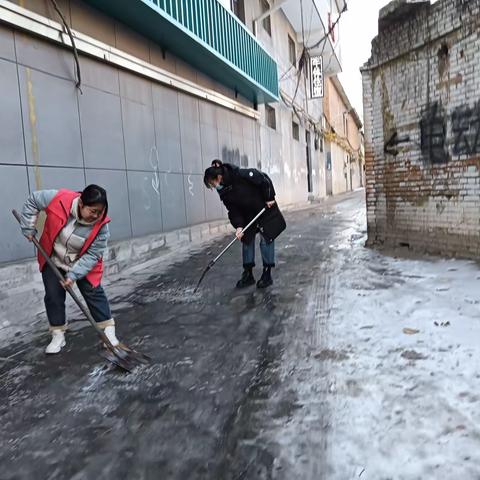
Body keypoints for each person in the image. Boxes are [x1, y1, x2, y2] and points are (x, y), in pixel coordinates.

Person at [19, 185, 119, 354]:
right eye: (93, 211)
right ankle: (58, 335)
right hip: (53, 257)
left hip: (82, 261)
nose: (96, 216)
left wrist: (73, 275)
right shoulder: (59, 198)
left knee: (93, 292)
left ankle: (108, 332)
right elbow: (33, 200)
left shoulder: (102, 225)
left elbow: (93, 255)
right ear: (81, 203)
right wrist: (28, 227)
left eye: (100, 212)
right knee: (53, 295)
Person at [203, 160, 286, 289]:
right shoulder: (224, 192)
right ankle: (248, 274)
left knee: (266, 239)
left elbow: (264, 179)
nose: (214, 187)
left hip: (264, 208)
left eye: (213, 183)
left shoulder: (240, 175)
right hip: (248, 215)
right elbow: (233, 210)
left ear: (218, 177)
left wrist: (269, 197)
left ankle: (267, 274)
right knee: (246, 240)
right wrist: (239, 226)